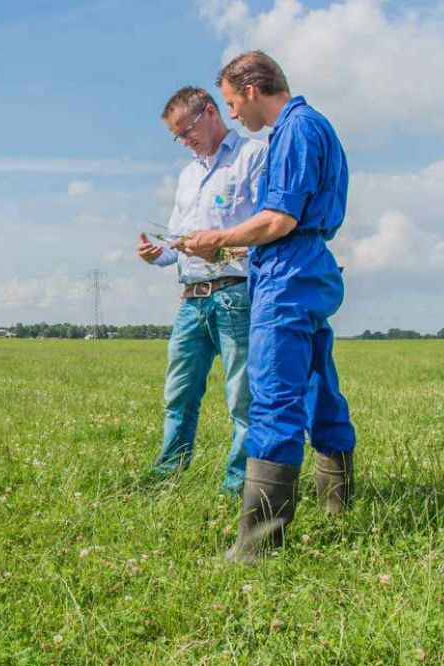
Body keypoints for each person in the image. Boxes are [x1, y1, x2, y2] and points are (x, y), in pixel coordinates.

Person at [176, 52, 356, 562]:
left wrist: (220, 236)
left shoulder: (294, 130)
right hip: (308, 265)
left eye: (232, 103)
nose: (233, 114)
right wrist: (238, 245)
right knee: (320, 386)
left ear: (252, 90)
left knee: (274, 398)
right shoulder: (317, 125)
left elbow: (278, 219)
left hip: (288, 274)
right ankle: (339, 506)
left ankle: (258, 545)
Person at [137, 86, 267, 495]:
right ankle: (167, 476)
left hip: (236, 295)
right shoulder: (188, 174)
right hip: (192, 298)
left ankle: (238, 487)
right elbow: (177, 243)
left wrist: (222, 242)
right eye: (177, 136)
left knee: (242, 400)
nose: (184, 141)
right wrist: (155, 253)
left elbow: (267, 225)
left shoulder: (252, 156)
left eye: (187, 131)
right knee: (178, 395)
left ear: (212, 113)